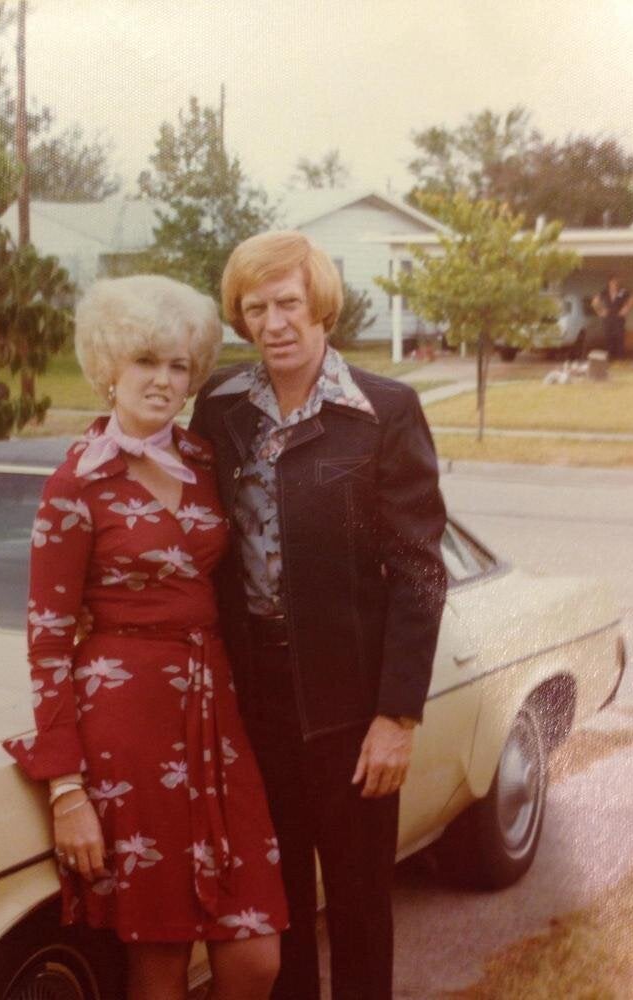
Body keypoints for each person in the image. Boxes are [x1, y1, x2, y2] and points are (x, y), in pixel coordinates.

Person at [4, 275, 287, 1000]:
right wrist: (67, 788)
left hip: (216, 718)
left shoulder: (202, 462)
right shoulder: (75, 485)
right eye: (145, 363)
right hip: (126, 729)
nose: (163, 381)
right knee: (158, 959)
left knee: (254, 959)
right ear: (108, 368)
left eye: (178, 366)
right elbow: (48, 639)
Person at [191, 231, 447, 1000]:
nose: (274, 323)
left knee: (361, 905)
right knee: (281, 908)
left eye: (289, 304)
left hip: (350, 703)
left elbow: (418, 573)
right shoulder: (223, 409)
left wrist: (396, 715)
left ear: (321, 308)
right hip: (254, 697)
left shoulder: (382, 412)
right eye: (256, 308)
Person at [592, 274, 633, 360]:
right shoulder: (604, 292)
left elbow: (632, 299)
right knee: (608, 339)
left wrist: (626, 308)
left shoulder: (622, 292)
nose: (614, 285)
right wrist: (600, 311)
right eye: (612, 283)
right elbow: (594, 302)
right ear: (609, 283)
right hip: (608, 319)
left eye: (616, 283)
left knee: (619, 338)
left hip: (619, 319)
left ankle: (620, 359)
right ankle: (609, 360)